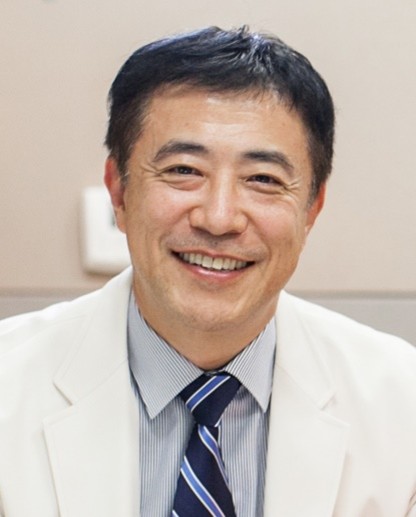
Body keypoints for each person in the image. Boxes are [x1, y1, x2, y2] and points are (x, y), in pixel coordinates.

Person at [0, 26, 415, 517]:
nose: (219, 219)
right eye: (183, 170)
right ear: (119, 191)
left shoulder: (402, 404)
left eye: (263, 179)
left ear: (311, 209)